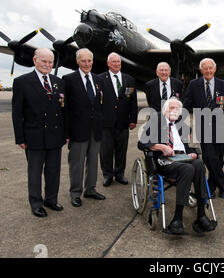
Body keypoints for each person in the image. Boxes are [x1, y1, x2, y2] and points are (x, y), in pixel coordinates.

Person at [138, 98, 217, 235]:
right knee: (188, 169)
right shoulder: (156, 121)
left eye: (177, 109)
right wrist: (161, 147)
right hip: (165, 161)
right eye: (171, 108)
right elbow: (141, 143)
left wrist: (191, 154)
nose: (174, 111)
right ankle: (177, 219)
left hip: (182, 158)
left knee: (198, 163)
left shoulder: (182, 125)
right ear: (165, 110)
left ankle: (201, 215)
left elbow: (186, 147)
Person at [12, 48, 67, 217]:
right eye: (44, 61)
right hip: (33, 136)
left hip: (55, 136)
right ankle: (36, 203)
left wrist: (65, 133)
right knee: (35, 173)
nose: (47, 65)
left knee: (53, 171)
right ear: (35, 60)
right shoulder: (22, 82)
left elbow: (63, 110)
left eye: (50, 62)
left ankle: (51, 199)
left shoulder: (58, 81)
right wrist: (19, 137)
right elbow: (17, 112)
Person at [183, 58, 224, 198]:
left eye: (210, 68)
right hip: (203, 127)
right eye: (205, 68)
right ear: (201, 70)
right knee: (209, 157)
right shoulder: (194, 84)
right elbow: (186, 104)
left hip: (221, 127)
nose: (208, 71)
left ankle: (211, 186)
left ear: (215, 69)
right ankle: (223, 184)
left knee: (217, 158)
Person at [62, 48, 106, 207]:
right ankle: (75, 193)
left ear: (93, 62)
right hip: (77, 130)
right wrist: (66, 132)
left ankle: (91, 189)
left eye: (89, 61)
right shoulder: (68, 79)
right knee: (77, 163)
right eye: (83, 61)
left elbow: (100, 105)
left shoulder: (98, 79)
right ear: (77, 61)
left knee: (93, 161)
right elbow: (64, 108)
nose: (87, 64)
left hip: (95, 130)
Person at [98, 52, 137, 186]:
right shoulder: (100, 79)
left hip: (123, 122)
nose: (116, 64)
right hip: (106, 122)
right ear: (108, 63)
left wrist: (133, 119)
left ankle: (119, 174)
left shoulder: (129, 80)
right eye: (113, 62)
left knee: (121, 150)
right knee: (106, 151)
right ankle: (107, 175)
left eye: (118, 62)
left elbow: (132, 101)